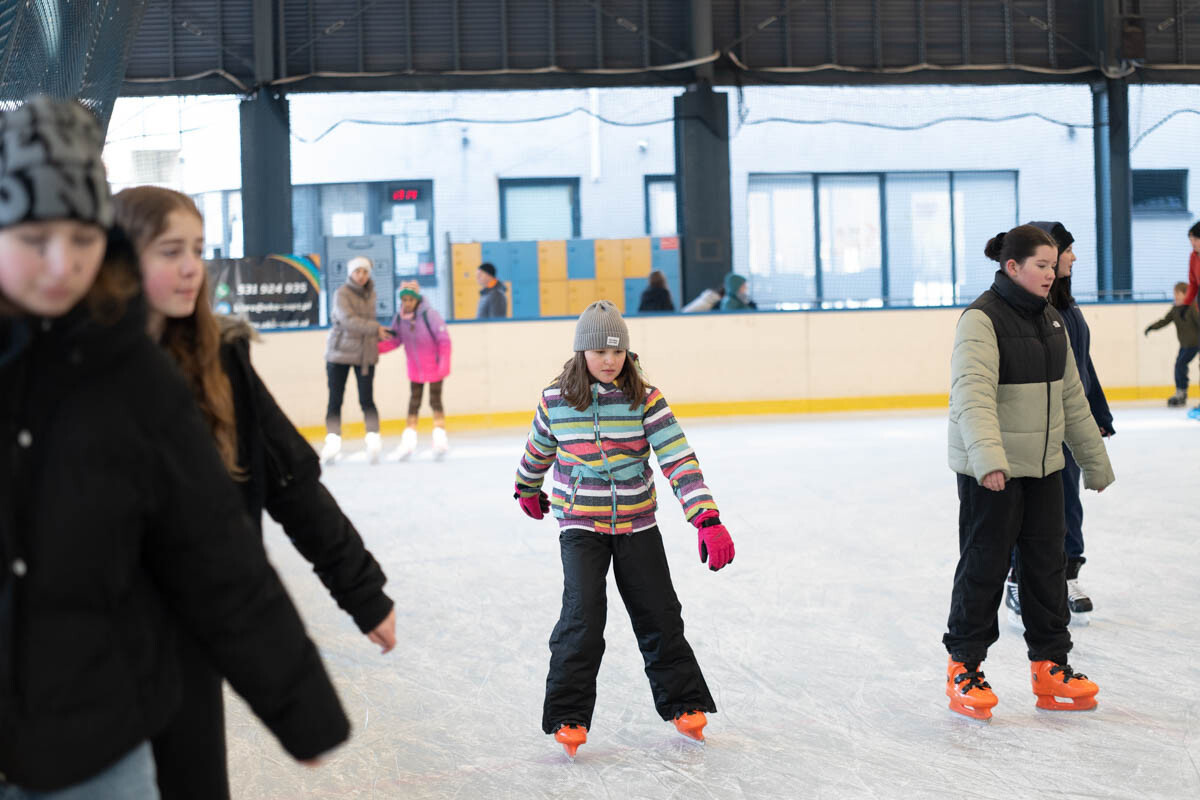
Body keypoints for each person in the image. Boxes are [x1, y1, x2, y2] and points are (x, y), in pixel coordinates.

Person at [0, 97, 348, 797]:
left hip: (95, 742)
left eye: (83, 235)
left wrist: (296, 703)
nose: (62, 263)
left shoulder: (132, 376)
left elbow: (213, 549)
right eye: (36, 237)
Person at [113, 186, 397, 800]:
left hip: (192, 641)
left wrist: (363, 591)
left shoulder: (224, 363)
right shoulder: (82, 368)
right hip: (99, 646)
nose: (193, 267)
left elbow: (292, 482)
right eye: (170, 250)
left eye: (198, 248)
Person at [513, 300, 735, 759]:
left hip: (637, 523)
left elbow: (678, 459)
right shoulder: (555, 400)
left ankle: (685, 703)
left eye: (617, 352)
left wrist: (706, 518)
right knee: (582, 618)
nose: (609, 361)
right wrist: (527, 488)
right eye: (599, 352)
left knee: (659, 613)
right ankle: (568, 713)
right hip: (580, 525)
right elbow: (538, 449)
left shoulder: (646, 399)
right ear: (581, 354)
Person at [943, 224, 1114, 721]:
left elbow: (1070, 398)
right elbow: (972, 396)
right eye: (1041, 264)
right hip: (991, 469)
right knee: (986, 565)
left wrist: (1092, 459)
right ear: (1012, 267)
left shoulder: (1051, 320)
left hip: (1042, 466)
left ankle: (1050, 665)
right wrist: (989, 461)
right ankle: (964, 666)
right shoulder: (981, 319)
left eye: (1052, 264)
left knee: (1046, 567)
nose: (1050, 273)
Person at [1002, 221, 1113, 630]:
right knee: (1033, 508)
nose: (1071, 259)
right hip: (1043, 424)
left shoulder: (1068, 307)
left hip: (1072, 421)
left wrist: (1098, 414)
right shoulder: (1037, 311)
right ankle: (1019, 579)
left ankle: (1066, 575)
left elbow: (1083, 366)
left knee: (1067, 504)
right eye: (1067, 251)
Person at [322, 255, 392, 464]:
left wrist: (378, 333)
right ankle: (332, 441)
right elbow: (347, 320)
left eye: (365, 272)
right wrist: (375, 329)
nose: (361, 276)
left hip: (365, 354)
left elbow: (368, 322)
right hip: (340, 353)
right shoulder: (341, 293)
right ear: (350, 274)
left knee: (367, 399)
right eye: (357, 272)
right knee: (336, 400)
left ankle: (373, 439)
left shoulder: (371, 293)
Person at [381, 280, 453, 459]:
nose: (407, 303)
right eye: (404, 300)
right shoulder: (399, 318)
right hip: (415, 369)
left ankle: (440, 439)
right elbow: (395, 340)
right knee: (414, 403)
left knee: (435, 401)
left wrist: (443, 365)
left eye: (410, 300)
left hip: (434, 367)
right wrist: (375, 350)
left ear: (417, 300)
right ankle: (408, 441)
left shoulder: (430, 315)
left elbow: (444, 341)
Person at [1145, 281, 1200, 407]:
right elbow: (1165, 321)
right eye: (1175, 293)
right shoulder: (1175, 309)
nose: (1175, 296)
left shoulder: (1192, 307)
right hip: (1185, 344)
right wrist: (1151, 327)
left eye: (1178, 293)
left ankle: (1181, 392)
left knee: (1180, 365)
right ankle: (1181, 392)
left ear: (1186, 294)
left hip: (1195, 343)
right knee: (1179, 366)